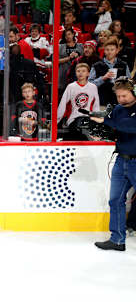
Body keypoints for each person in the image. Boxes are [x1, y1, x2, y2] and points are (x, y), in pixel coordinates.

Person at [94, 77, 136, 251]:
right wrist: (95, 124)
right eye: (118, 96)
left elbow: (130, 126)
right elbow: (113, 127)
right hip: (121, 160)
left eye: (124, 96)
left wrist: (105, 121)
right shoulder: (118, 109)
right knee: (115, 200)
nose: (121, 100)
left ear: (133, 92)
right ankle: (117, 240)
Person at [57, 63, 100, 140]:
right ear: (75, 73)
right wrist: (56, 121)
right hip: (74, 119)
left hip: (88, 120)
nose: (80, 73)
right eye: (78, 71)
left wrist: (97, 122)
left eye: (83, 71)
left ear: (88, 73)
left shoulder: (93, 87)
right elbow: (62, 105)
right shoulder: (71, 87)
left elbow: (96, 107)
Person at [89, 37, 131, 105]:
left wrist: (122, 82)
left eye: (112, 49)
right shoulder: (96, 65)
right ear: (104, 51)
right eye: (107, 49)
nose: (109, 52)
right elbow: (90, 85)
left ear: (117, 50)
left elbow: (129, 83)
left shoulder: (123, 65)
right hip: (102, 101)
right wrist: (103, 78)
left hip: (120, 102)